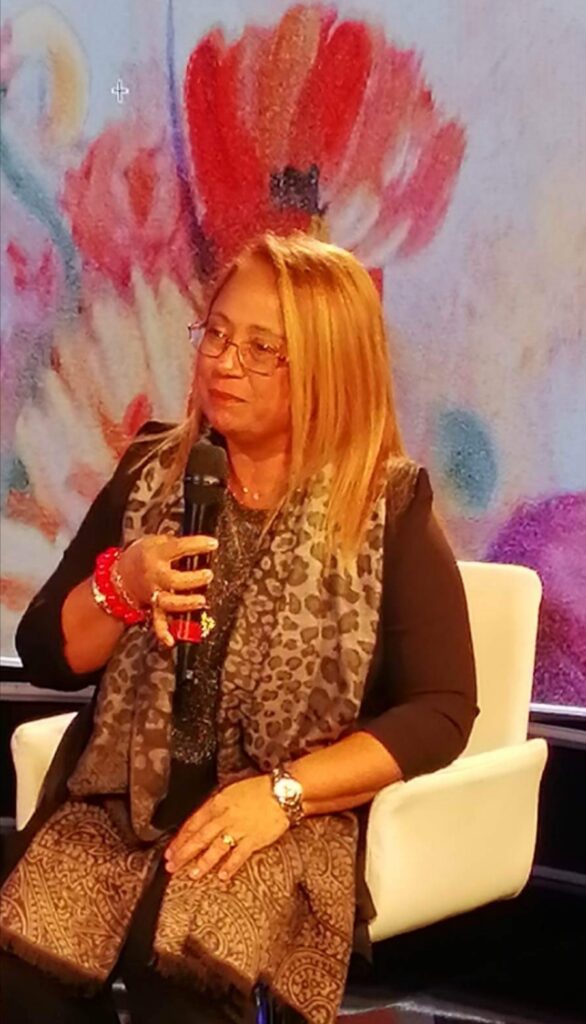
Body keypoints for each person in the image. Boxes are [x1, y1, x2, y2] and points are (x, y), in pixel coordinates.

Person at [0, 231, 478, 1024]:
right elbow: (47, 654)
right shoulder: (153, 469)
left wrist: (283, 795)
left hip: (279, 818)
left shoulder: (385, 506)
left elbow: (441, 711)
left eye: (262, 350)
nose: (224, 363)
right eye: (216, 334)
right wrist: (122, 586)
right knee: (17, 973)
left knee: (184, 971)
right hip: (120, 805)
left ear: (329, 367)